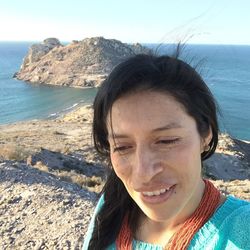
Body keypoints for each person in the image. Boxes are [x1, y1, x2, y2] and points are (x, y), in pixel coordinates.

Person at [83, 52, 250, 250]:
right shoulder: (110, 207)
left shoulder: (243, 230)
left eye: (166, 141)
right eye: (122, 147)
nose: (144, 173)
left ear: (206, 135)